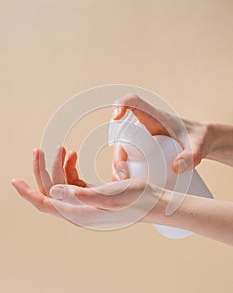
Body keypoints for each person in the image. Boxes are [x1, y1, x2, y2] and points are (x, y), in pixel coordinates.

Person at [11, 95, 233, 245]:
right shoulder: (166, 146)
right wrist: (212, 136)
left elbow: (158, 202)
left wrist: (157, 206)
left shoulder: (160, 152)